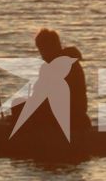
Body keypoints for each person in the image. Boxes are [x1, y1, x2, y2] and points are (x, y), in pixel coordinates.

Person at [9, 27, 91, 156]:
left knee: (19, 107)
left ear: (52, 47)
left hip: (72, 115)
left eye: (42, 49)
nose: (41, 54)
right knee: (19, 105)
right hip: (66, 112)